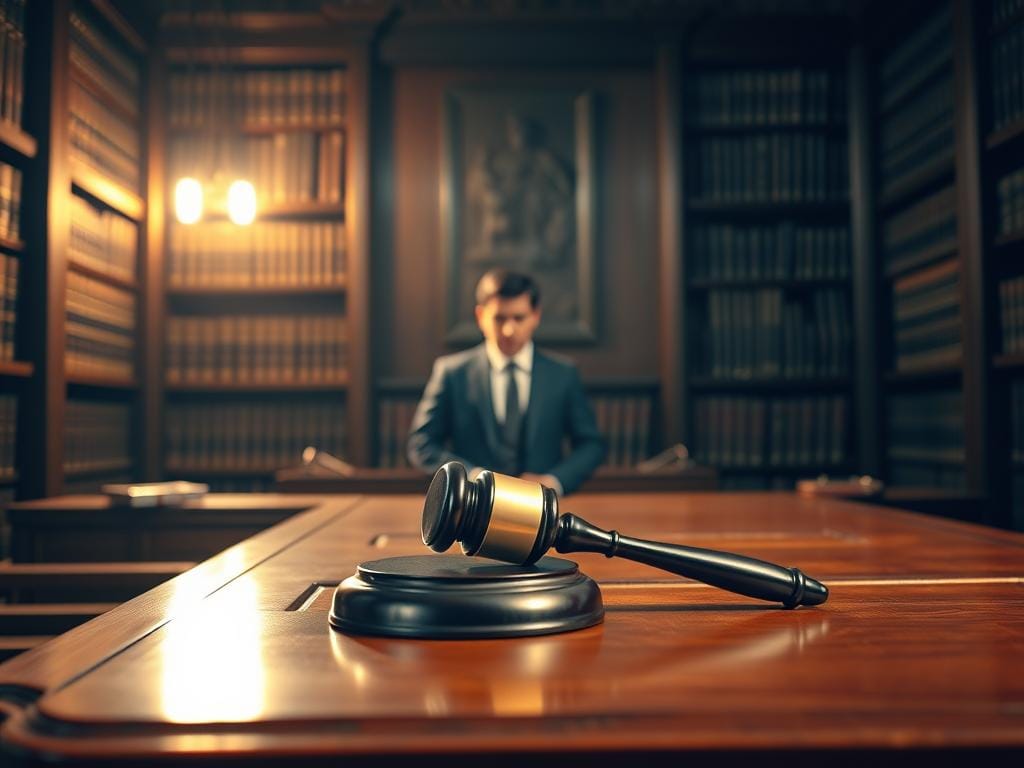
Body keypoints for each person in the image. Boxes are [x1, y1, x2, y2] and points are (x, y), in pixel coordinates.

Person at [407, 269, 605, 495]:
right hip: (473, 512)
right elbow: (421, 444)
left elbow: (591, 446)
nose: (509, 330)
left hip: (543, 510)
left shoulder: (563, 374)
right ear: (481, 316)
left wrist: (555, 481)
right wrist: (472, 477)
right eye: (499, 318)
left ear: (536, 316)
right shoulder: (452, 373)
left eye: (519, 318)